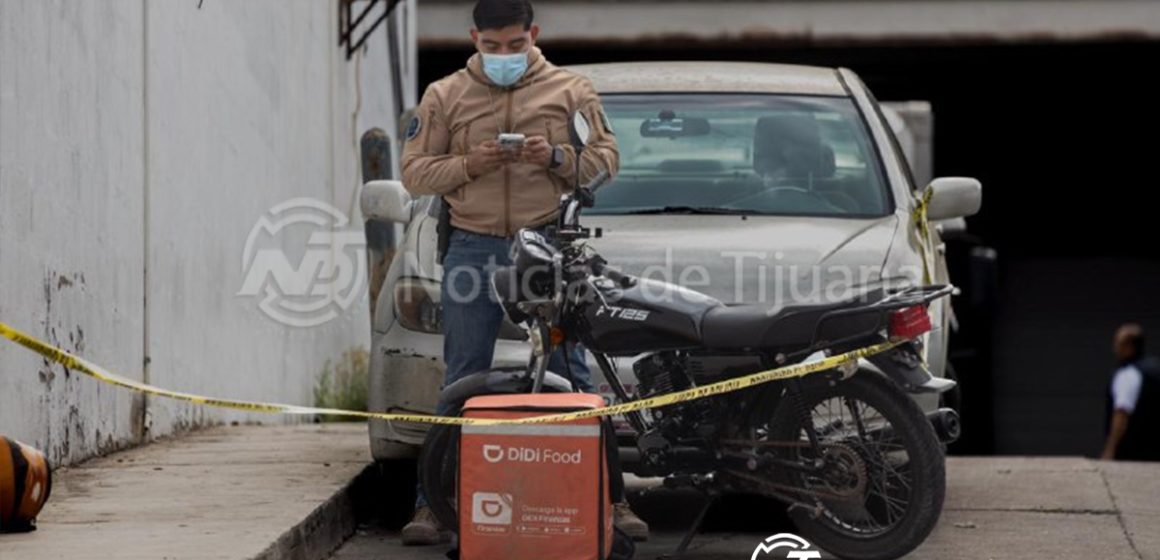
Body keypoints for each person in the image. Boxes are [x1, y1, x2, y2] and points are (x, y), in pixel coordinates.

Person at [399, 0, 649, 545]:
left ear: (532, 34)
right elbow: (415, 173)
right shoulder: (445, 95)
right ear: (474, 39)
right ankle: (432, 506)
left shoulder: (571, 91)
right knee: (462, 376)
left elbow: (605, 163)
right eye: (492, 47)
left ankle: (611, 500)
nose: (504, 56)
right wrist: (471, 164)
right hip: (471, 247)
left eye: (515, 45)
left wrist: (555, 158)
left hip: (545, 247)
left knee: (571, 375)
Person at [1101, 323, 1160, 461]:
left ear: (1128, 346)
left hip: (1133, 454)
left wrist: (1110, 450)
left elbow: (1121, 413)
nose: (1114, 348)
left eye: (1118, 343)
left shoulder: (1128, 374)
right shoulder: (1155, 370)